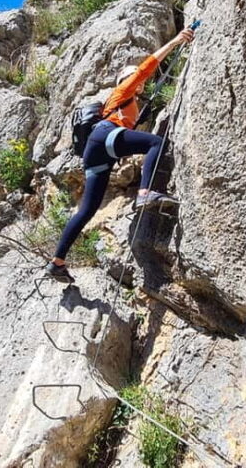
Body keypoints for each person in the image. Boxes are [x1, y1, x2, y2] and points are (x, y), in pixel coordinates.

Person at [45, 26, 196, 283]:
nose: (141, 83)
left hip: (97, 153)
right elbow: (145, 67)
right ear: (123, 80)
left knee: (87, 210)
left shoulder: (128, 105)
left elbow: (129, 130)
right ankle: (146, 193)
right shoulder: (122, 91)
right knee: (156, 144)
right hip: (105, 137)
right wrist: (175, 41)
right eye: (132, 79)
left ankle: (57, 262)